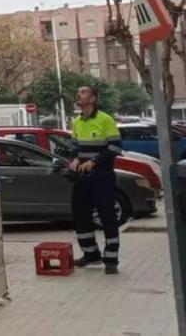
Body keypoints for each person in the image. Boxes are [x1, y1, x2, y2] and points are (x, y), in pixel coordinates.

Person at [68, 84, 123, 274]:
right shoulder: (76, 122)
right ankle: (91, 255)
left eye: (83, 92)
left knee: (107, 215)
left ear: (92, 99)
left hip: (102, 176)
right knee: (80, 215)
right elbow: (74, 148)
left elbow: (115, 148)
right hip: (82, 177)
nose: (79, 94)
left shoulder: (105, 119)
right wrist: (75, 160)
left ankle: (111, 260)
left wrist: (94, 162)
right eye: (78, 92)